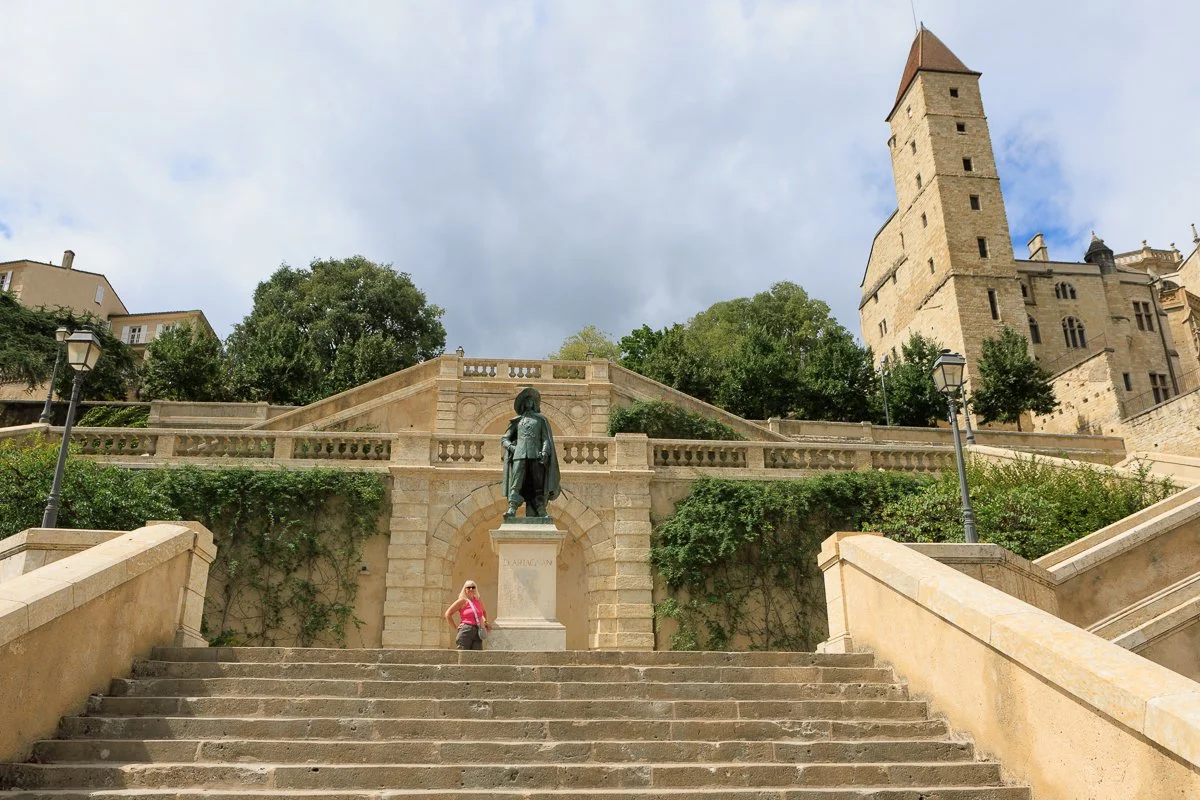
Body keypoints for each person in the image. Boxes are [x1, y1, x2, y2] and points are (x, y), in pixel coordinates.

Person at [501, 387, 561, 517]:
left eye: (531, 401)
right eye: (527, 401)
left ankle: (540, 508)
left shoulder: (541, 420)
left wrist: (545, 452)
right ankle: (512, 507)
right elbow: (505, 439)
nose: (529, 402)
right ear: (523, 404)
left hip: (536, 455)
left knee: (538, 484)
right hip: (519, 455)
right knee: (516, 482)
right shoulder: (517, 421)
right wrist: (512, 448)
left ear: (535, 404)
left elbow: (546, 439)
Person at [444, 580, 491, 650]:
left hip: (477, 630)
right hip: (466, 630)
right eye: (468, 587)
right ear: (465, 590)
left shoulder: (478, 600)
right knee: (464, 654)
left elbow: (483, 612)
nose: (471, 589)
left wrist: (485, 622)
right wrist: (455, 627)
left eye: (473, 587)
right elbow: (448, 614)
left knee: (477, 655)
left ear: (476, 589)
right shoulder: (462, 601)